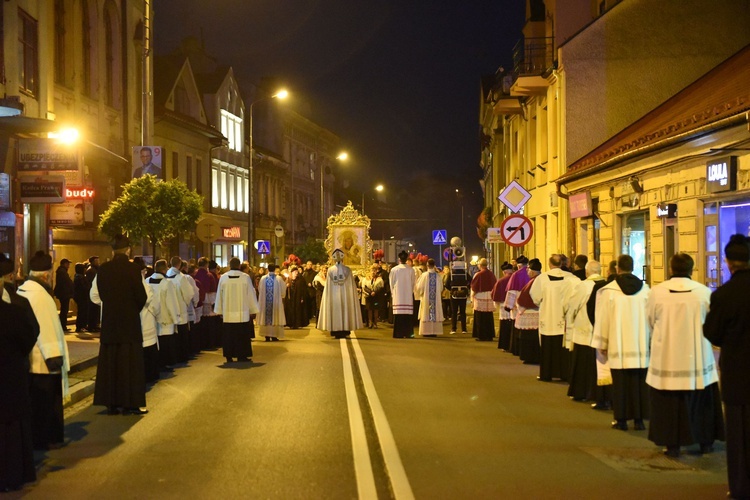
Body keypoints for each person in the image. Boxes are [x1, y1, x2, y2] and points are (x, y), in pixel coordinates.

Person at [646, 252, 723, 458]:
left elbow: (650, 320)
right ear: (692, 269)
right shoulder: (704, 292)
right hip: (697, 355)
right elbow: (711, 321)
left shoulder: (657, 292)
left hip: (667, 355)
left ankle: (672, 444)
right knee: (701, 399)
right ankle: (705, 441)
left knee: (670, 403)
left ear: (671, 269)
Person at [704, 234, 750, 499]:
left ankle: (740, 486)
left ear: (729, 263)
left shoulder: (723, 295)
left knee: (738, 433)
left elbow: (713, 333)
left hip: (736, 374)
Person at [90, 235, 149, 415]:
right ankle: (130, 403)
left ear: (112, 250)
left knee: (110, 362)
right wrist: (131, 310)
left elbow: (100, 294)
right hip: (129, 323)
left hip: (110, 321)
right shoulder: (133, 269)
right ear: (128, 250)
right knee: (130, 364)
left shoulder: (104, 269)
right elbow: (142, 297)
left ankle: (111, 403)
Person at [591, 254, 651, 431]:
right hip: (640, 345)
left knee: (621, 385)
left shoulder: (609, 292)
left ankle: (621, 420)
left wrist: (602, 343)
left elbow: (602, 319)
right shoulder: (646, 291)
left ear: (617, 269)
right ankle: (639, 420)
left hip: (618, 345)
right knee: (639, 384)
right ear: (633, 267)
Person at [18, 251, 70, 450]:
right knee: (46, 405)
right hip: (45, 361)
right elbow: (47, 328)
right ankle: (46, 438)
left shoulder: (23, 291)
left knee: (36, 403)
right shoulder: (42, 297)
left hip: (31, 359)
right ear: (47, 274)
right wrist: (54, 356)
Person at [0, 254, 39, 492]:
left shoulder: (16, 306)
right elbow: (29, 336)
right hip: (10, 376)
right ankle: (12, 474)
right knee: (11, 428)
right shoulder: (13, 310)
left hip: (10, 375)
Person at [530, 254, 579, 381]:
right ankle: (565, 374)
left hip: (548, 316)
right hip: (564, 318)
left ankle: (547, 374)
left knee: (548, 347)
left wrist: (543, 303)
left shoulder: (542, 278)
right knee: (563, 347)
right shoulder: (571, 278)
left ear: (549, 264)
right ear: (562, 264)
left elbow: (535, 296)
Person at [564, 260, 607, 402]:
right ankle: (598, 393)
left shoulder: (583, 286)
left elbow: (572, 305)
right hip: (601, 332)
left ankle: (581, 391)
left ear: (587, 272)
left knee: (582, 364)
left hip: (584, 331)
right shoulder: (607, 286)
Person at [214, 257, 260, 363]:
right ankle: (242, 355)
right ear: (239, 266)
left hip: (228, 313)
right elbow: (250, 294)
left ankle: (229, 356)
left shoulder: (223, 278)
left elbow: (219, 295)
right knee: (241, 335)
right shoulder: (245, 277)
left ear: (230, 265)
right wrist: (253, 309)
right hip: (242, 313)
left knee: (228, 336)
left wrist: (219, 310)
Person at [317, 248, 363, 339]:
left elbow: (328, 286)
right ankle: (344, 330)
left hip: (333, 296)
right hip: (345, 296)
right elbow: (350, 286)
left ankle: (335, 331)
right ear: (343, 258)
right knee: (345, 310)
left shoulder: (330, 270)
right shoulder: (347, 270)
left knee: (334, 311)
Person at [167, 256, 196, 363]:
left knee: (172, 335)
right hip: (180, 309)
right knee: (182, 335)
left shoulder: (166, 276)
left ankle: (173, 357)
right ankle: (182, 356)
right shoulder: (181, 278)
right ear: (179, 265)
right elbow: (189, 293)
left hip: (169, 311)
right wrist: (186, 303)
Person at [515, 259, 542, 364]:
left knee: (530, 338)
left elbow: (526, 298)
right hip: (536, 312)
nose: (527, 272)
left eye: (528, 270)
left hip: (532, 312)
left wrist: (520, 305)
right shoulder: (537, 280)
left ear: (533, 271)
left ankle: (530, 357)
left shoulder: (535, 281)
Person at [505, 255, 531, 355]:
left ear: (519, 266)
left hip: (518, 306)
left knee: (516, 327)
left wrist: (508, 306)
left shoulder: (515, 275)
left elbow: (511, 292)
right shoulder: (532, 274)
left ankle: (516, 349)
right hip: (531, 308)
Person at [389, 251, 416, 338]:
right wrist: (410, 291)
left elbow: (391, 283)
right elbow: (413, 283)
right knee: (407, 315)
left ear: (399, 259)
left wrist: (393, 293)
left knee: (399, 315)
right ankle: (408, 334)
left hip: (398, 295)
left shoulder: (394, 270)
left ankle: (398, 334)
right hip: (407, 296)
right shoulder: (411, 270)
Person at [415, 258, 444, 337]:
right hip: (435, 300)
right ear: (434, 265)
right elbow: (441, 288)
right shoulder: (438, 276)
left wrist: (421, 293)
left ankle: (426, 331)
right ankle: (434, 331)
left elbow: (419, 287)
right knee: (435, 312)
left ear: (427, 265)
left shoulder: (424, 275)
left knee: (426, 312)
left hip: (426, 298)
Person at [257, 264, 287, 341]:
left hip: (265, 303)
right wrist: (282, 296)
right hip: (275, 303)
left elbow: (260, 289)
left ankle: (266, 336)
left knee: (266, 317)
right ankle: (274, 336)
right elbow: (283, 290)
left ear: (268, 269)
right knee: (275, 317)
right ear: (274, 269)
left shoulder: (263, 278)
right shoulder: (279, 279)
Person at [470, 258, 497, 341]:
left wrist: (472, 299)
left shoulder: (478, 274)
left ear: (480, 265)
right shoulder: (491, 274)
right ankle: (489, 335)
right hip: (489, 297)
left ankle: (481, 335)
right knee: (488, 317)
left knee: (480, 317)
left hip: (480, 296)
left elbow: (474, 287)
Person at [492, 262, 514, 350]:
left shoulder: (501, 281)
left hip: (503, 305)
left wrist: (495, 305)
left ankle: (505, 345)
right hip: (514, 306)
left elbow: (495, 295)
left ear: (504, 272)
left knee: (505, 326)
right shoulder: (516, 278)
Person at [54, 258, 73, 332]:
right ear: (64, 264)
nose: (68, 266)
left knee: (64, 310)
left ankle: (63, 325)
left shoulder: (62, 271)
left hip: (63, 293)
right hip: (64, 294)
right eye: (67, 264)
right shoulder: (62, 272)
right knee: (64, 310)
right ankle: (63, 326)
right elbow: (65, 283)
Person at [73, 263, 90, 334]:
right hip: (82, 297)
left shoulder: (77, 276)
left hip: (79, 297)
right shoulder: (80, 277)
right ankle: (81, 326)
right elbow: (84, 287)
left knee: (81, 311)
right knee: (82, 312)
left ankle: (80, 326)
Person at [85, 256, 100, 332]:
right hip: (91, 292)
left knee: (95, 310)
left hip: (94, 292)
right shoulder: (90, 270)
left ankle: (94, 325)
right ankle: (91, 326)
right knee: (92, 310)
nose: (98, 262)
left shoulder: (95, 270)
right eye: (96, 260)